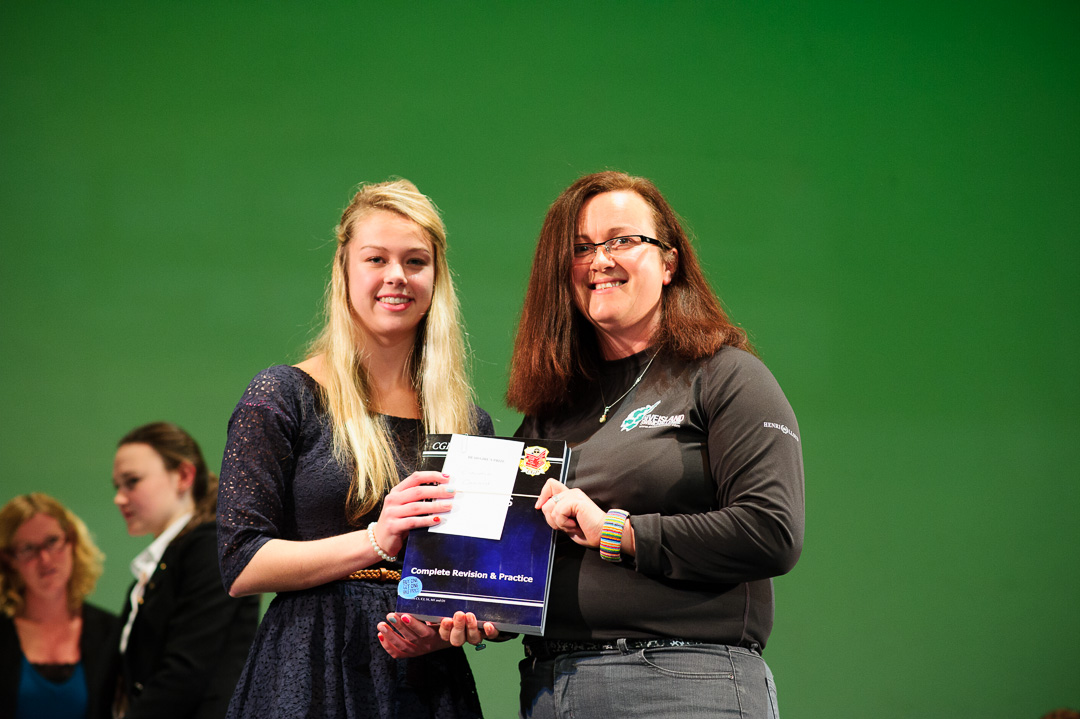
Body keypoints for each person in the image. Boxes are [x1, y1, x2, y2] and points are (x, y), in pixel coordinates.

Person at [500, 171, 805, 718]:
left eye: (622, 239)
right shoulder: (548, 411)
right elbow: (522, 566)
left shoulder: (725, 375)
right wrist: (470, 611)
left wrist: (617, 531)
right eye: (581, 247)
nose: (600, 259)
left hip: (682, 682)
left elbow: (772, 531)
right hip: (550, 688)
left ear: (669, 262)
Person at [217, 178, 494, 719]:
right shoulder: (282, 395)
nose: (397, 276)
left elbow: (486, 588)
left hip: (427, 683)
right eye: (376, 259)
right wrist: (377, 539)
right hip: (309, 665)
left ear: (436, 280)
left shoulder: (468, 424)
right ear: (344, 271)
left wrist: (456, 629)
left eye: (416, 261)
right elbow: (242, 563)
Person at [112, 421, 259, 719]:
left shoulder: (211, 549)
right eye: (117, 486)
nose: (119, 498)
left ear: (183, 475)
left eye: (132, 481)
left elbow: (186, 671)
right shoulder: (167, 562)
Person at [0, 493, 118, 719]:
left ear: (71, 541)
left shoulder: (109, 632)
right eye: (28, 549)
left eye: (53, 542)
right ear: (9, 559)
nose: (45, 559)